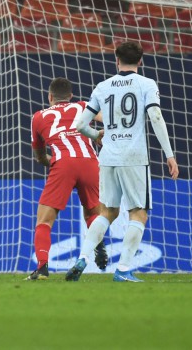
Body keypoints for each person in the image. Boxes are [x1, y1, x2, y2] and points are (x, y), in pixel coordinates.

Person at [65, 41, 179, 283]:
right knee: (139, 213)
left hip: (108, 158)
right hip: (134, 157)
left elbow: (80, 125)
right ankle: (124, 269)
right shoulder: (146, 84)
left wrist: (97, 136)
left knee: (107, 212)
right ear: (140, 61)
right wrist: (169, 154)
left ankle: (83, 258)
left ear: (116, 60)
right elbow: (155, 116)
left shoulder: (102, 87)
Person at [27, 77, 108, 280]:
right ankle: (98, 244)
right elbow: (108, 120)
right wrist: (101, 135)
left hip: (62, 163)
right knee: (93, 213)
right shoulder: (82, 106)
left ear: (50, 97)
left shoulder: (38, 117)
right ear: (71, 96)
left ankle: (43, 268)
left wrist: (51, 161)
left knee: (44, 221)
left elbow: (39, 155)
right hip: (90, 163)